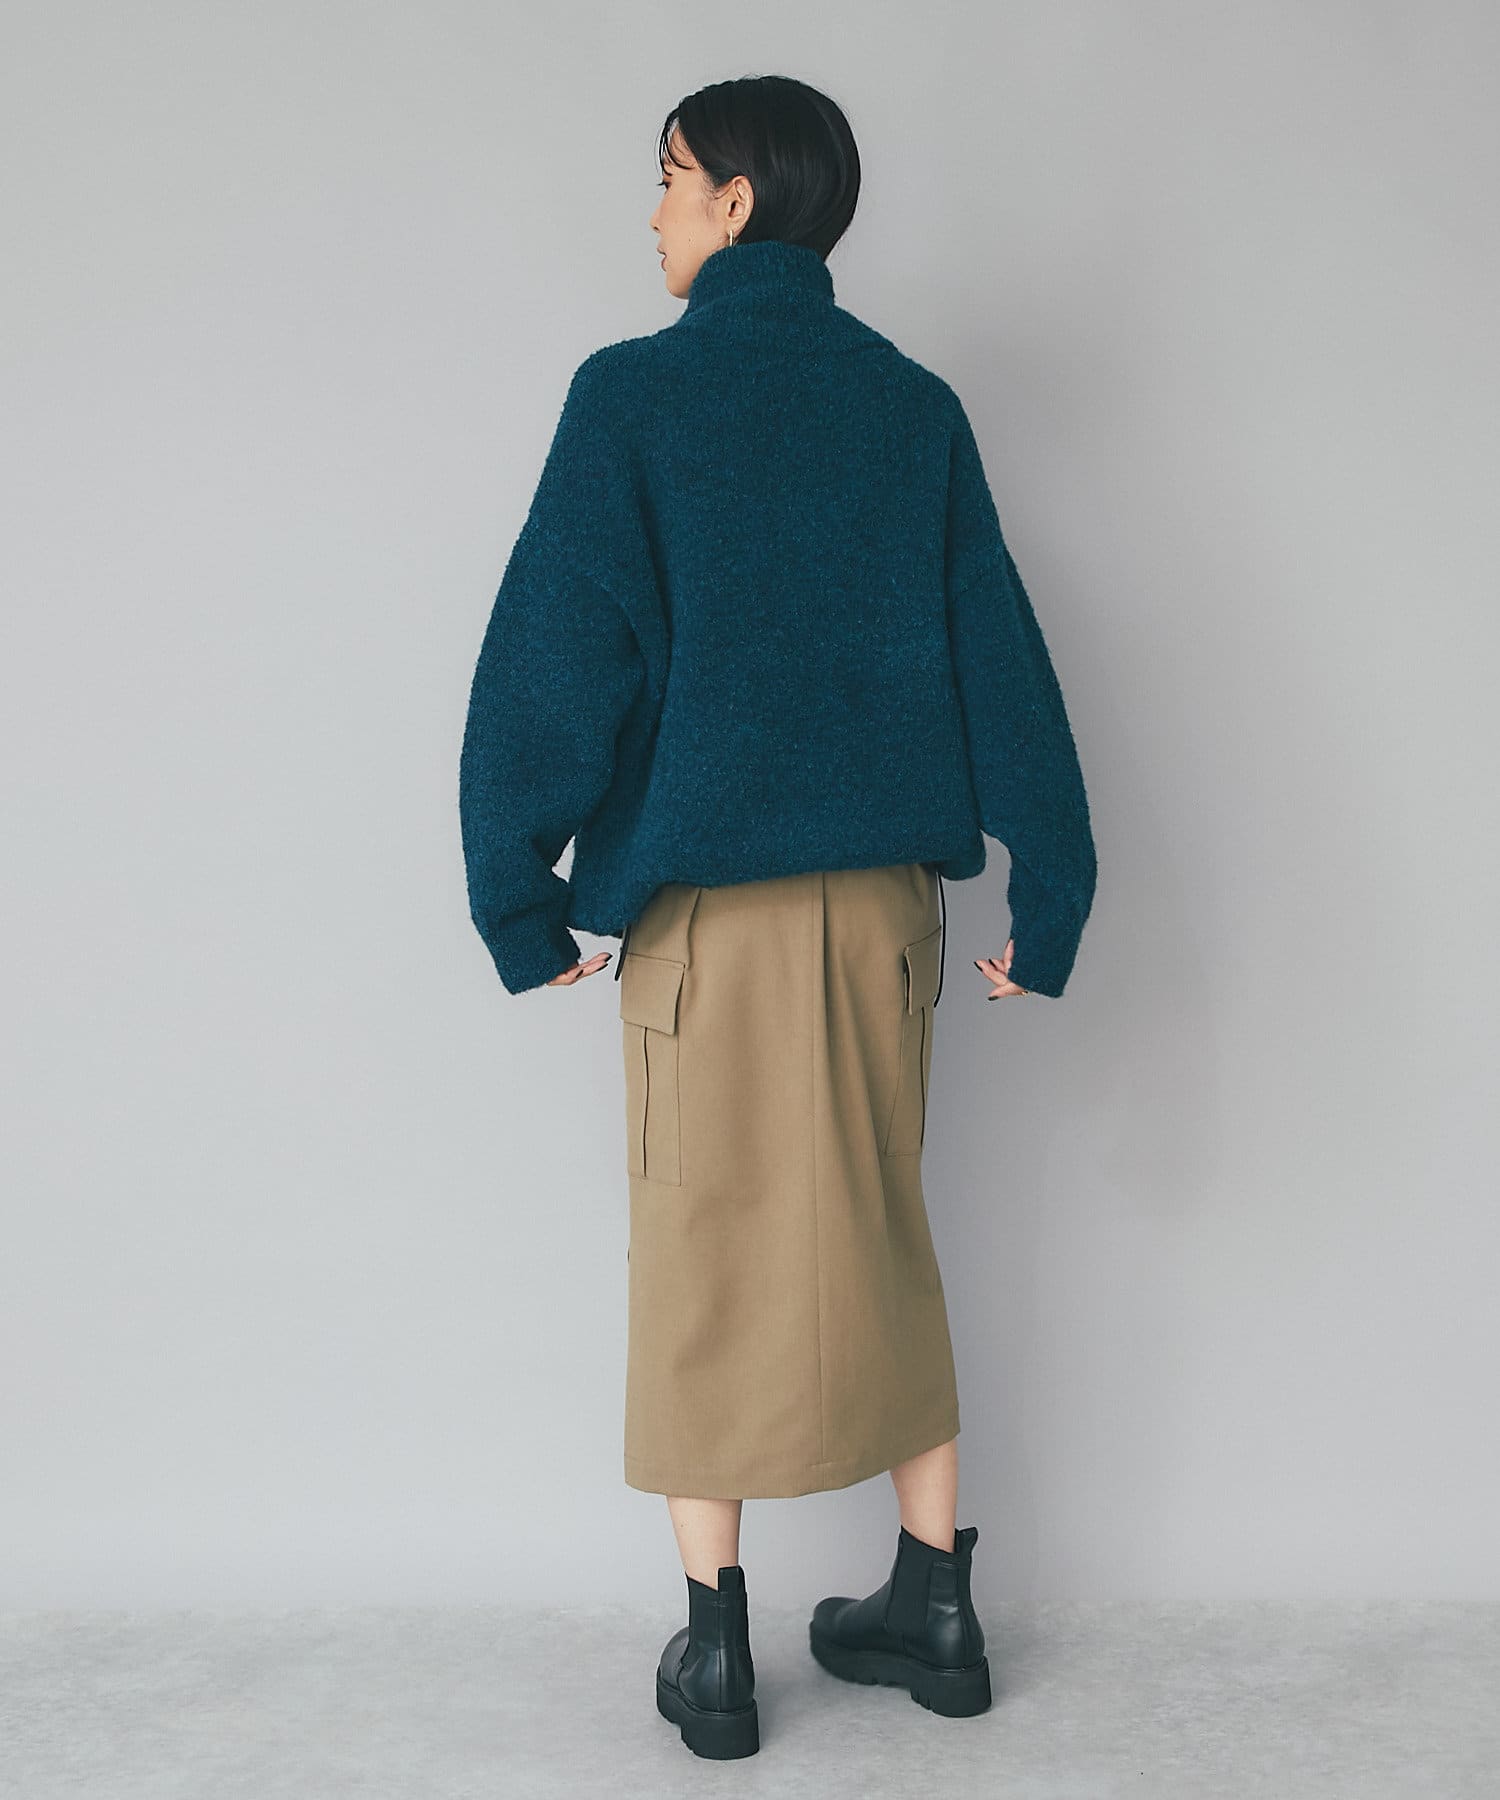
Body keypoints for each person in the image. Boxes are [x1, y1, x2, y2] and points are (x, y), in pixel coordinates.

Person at [458, 74, 1097, 1761]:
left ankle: (720, 1650)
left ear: (737, 201)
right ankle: (937, 1610)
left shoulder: (632, 398)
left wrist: (520, 894)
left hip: (705, 922)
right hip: (885, 919)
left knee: (700, 1255)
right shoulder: (913, 407)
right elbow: (1000, 657)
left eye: (672, 179)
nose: (655, 210)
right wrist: (1052, 885)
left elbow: (553, 658)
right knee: (883, 1229)